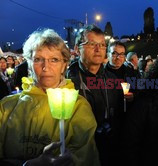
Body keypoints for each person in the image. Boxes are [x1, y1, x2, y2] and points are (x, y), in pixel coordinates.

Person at [0, 29, 99, 166]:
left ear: (64, 65)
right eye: (38, 59)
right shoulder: (6, 107)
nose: (46, 67)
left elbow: (86, 158)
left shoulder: (78, 107)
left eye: (54, 60)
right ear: (29, 64)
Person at [66, 25, 124, 166]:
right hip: (77, 152)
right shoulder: (66, 81)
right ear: (77, 49)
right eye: (92, 44)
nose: (98, 49)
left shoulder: (112, 79)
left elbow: (118, 114)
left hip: (109, 148)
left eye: (102, 45)